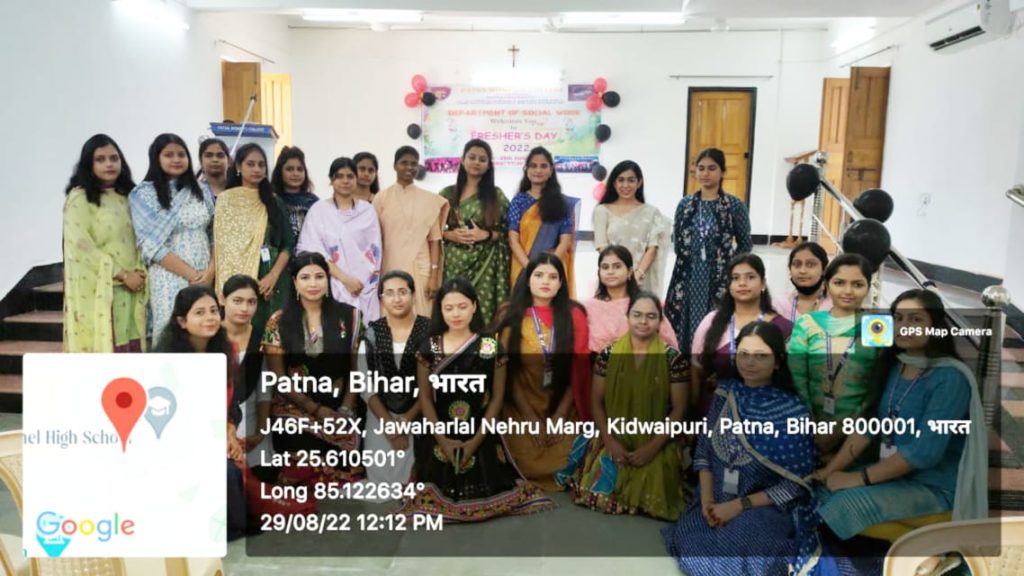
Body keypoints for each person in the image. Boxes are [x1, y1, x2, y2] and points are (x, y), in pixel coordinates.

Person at [812, 289, 987, 539]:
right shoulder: (896, 364)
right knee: (820, 492)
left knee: (845, 505)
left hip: (932, 486)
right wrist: (830, 470)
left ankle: (929, 548)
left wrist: (859, 478)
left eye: (916, 319)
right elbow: (870, 426)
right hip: (893, 473)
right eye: (899, 318)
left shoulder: (950, 378)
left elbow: (924, 453)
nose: (904, 326)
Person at [662, 321, 820, 576]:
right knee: (692, 543)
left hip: (761, 508)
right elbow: (703, 452)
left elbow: (795, 485)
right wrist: (707, 500)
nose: (750, 362)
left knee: (743, 550)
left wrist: (737, 506)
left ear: (778, 362)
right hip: (716, 497)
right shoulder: (725, 393)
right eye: (744, 354)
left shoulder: (793, 411)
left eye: (761, 356)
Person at [401, 278, 555, 521]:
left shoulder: (489, 345)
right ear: (440, 310)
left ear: (474, 306)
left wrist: (475, 441)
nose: (456, 314)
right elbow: (426, 399)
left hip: (480, 429)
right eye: (449, 308)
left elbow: (496, 398)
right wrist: (443, 440)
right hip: (439, 430)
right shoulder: (430, 346)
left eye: (462, 306)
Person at [556, 292, 688, 520]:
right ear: (627, 317)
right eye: (637, 315)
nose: (643, 321)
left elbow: (679, 409)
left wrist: (652, 448)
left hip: (656, 438)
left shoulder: (673, 359)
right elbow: (596, 402)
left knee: (654, 496)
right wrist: (611, 443)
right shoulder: (608, 355)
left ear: (660, 321)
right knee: (599, 498)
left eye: (651, 316)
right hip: (613, 435)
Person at [152, 285, 247, 540]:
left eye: (214, 311)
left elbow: (233, 405)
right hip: (174, 441)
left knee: (235, 472)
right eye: (200, 313)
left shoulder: (228, 351)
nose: (210, 318)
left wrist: (229, 431)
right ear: (182, 321)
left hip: (214, 438)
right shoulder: (166, 360)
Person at [262, 252, 363, 485]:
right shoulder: (278, 321)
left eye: (319, 276)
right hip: (295, 407)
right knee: (297, 443)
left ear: (328, 280)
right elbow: (279, 379)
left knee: (346, 446)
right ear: (295, 282)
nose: (313, 283)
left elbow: (357, 372)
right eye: (305, 277)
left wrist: (346, 410)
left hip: (339, 406)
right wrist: (315, 409)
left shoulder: (350, 316)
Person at [496, 253, 590, 489]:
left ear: (561, 283)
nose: (545, 281)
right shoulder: (509, 313)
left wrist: (560, 416)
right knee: (525, 460)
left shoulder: (575, 315)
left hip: (561, 403)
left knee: (566, 459)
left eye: (552, 277)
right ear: (527, 280)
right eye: (538, 275)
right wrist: (529, 418)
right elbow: (506, 373)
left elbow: (578, 372)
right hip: (520, 404)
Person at [788, 253, 881, 459]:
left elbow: (877, 385)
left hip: (857, 434)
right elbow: (797, 378)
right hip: (807, 427)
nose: (848, 291)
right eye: (839, 283)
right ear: (827, 285)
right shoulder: (808, 323)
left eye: (857, 284)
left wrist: (843, 430)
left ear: (868, 287)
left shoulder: (876, 327)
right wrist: (810, 424)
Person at [63, 134, 147, 353]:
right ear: (88, 165)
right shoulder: (80, 198)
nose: (109, 164)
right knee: (108, 350)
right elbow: (81, 245)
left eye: (114, 158)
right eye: (100, 159)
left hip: (135, 286)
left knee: (135, 348)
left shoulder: (130, 195)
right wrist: (122, 275)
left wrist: (139, 272)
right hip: (102, 289)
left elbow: (141, 236)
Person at [665, 147, 753, 353]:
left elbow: (745, 244)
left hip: (721, 275)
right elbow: (678, 242)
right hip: (688, 273)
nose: (705, 173)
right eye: (701, 168)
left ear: (722, 171)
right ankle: (684, 361)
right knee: (683, 319)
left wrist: (731, 268)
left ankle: (711, 361)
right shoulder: (685, 205)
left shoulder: (734, 205)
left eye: (712, 168)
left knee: (716, 320)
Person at [129, 133, 215, 338]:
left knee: (204, 328)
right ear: (156, 158)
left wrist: (210, 272)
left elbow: (214, 234)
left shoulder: (202, 190)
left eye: (181, 154)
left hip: (205, 271)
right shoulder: (143, 194)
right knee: (172, 331)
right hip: (168, 275)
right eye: (169, 155)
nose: (176, 159)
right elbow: (150, 245)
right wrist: (192, 275)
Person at [691, 254, 792, 416]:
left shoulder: (782, 327)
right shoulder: (712, 321)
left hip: (764, 411)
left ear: (763, 283)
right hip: (714, 410)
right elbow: (696, 369)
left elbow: (788, 376)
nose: (742, 283)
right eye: (735, 278)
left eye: (750, 277)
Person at [357, 271, 430, 488]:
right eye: (389, 293)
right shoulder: (371, 334)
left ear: (413, 295)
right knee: (381, 485)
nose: (397, 299)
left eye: (402, 292)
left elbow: (436, 379)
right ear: (381, 299)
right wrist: (390, 426)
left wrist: (405, 421)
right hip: (380, 416)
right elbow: (365, 386)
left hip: (421, 415)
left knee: (416, 482)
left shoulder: (432, 333)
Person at [214, 143, 295, 336]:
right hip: (235, 280)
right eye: (250, 164)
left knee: (271, 337)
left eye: (261, 165)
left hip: (270, 279)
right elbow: (220, 247)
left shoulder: (273, 201)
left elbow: (288, 244)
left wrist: (273, 275)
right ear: (238, 167)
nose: (257, 169)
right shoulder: (225, 200)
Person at [297, 157, 382, 321]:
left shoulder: (367, 211)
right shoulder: (319, 211)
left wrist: (360, 283)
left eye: (350, 176)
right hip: (331, 284)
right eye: (339, 176)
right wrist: (345, 279)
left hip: (364, 287)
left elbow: (375, 251)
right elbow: (313, 251)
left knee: (364, 330)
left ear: (356, 179)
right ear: (331, 180)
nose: (345, 181)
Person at [439, 139, 510, 324]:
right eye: (472, 157)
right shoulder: (447, 194)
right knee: (454, 313)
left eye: (482, 159)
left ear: (488, 165)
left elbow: (509, 232)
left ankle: (486, 345)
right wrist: (449, 235)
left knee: (484, 315)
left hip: (485, 267)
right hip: (453, 267)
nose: (477, 162)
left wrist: (486, 235)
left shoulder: (496, 196)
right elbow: (431, 230)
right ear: (463, 161)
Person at [373, 146, 449, 316]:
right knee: (391, 315)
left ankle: (428, 338)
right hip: (390, 265)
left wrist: (434, 276)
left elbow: (435, 240)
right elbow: (375, 241)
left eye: (414, 164)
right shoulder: (381, 198)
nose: (409, 167)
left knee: (424, 317)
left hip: (421, 268)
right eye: (404, 163)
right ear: (395, 166)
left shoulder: (429, 200)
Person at [221, 274, 276, 478]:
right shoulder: (210, 335)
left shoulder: (262, 338)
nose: (244, 308)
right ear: (222, 299)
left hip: (253, 422)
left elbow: (264, 390)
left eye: (251, 302)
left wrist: (260, 432)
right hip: (218, 424)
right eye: (237, 301)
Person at [508, 146, 581, 298]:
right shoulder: (518, 201)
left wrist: (548, 268)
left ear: (551, 170)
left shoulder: (562, 203)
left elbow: (565, 241)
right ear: (526, 169)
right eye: (533, 165)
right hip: (522, 267)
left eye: (543, 166)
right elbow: (513, 240)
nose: (538, 170)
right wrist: (531, 268)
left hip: (553, 270)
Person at [593, 160, 671, 293]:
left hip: (641, 279)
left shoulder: (651, 212)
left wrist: (636, 275)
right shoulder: (602, 210)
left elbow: (652, 248)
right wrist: (620, 273)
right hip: (612, 278)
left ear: (639, 183)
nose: (625, 185)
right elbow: (602, 246)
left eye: (631, 180)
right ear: (614, 183)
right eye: (621, 180)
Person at [583, 245, 677, 353]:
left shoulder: (646, 304)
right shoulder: (590, 307)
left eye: (617, 266)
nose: (610, 271)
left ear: (630, 272)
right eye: (605, 267)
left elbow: (667, 342)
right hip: (599, 362)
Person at [773, 241, 832, 323]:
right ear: (790, 269)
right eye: (797, 265)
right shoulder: (778, 306)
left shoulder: (835, 305)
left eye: (810, 265)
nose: (802, 271)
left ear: (824, 269)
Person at [271, 145, 319, 239]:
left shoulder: (313, 202)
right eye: (289, 169)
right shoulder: (273, 201)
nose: (295, 174)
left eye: (300, 169)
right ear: (280, 172)